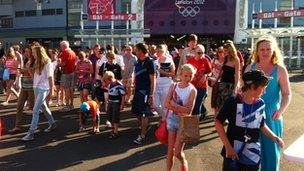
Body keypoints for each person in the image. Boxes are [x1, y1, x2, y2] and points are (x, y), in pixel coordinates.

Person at [215, 70, 284, 171]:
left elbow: (261, 125)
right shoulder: (233, 101)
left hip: (252, 154)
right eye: (263, 88)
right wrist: (228, 147)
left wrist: (274, 137)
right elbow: (218, 122)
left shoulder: (261, 103)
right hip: (233, 152)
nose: (265, 91)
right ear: (252, 87)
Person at [245, 35, 291, 171]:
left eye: (268, 49)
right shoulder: (249, 68)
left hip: (272, 115)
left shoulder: (280, 70)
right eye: (262, 49)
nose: (265, 52)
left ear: (274, 51)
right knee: (249, 153)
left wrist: (281, 111)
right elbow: (244, 92)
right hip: (251, 113)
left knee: (271, 154)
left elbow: (287, 94)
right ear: (257, 51)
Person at [165, 64, 197, 171]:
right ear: (180, 75)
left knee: (177, 151)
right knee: (170, 150)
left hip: (184, 122)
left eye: (190, 76)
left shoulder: (193, 90)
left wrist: (174, 105)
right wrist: (179, 108)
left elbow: (188, 111)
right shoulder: (173, 86)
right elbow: (166, 104)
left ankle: (183, 161)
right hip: (172, 119)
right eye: (186, 76)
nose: (188, 78)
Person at [21, 45, 56, 141]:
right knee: (43, 107)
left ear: (39, 53)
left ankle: (31, 133)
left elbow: (50, 77)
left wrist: (52, 91)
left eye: (33, 52)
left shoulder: (47, 62)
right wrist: (28, 69)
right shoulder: (37, 62)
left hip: (44, 89)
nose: (32, 54)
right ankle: (52, 124)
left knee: (35, 110)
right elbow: (35, 78)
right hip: (36, 87)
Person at [132, 43, 156, 145]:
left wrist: (151, 95)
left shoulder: (150, 62)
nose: (134, 51)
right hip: (137, 90)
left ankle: (142, 135)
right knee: (135, 111)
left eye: (136, 50)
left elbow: (153, 80)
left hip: (145, 92)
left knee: (144, 113)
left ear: (141, 51)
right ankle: (145, 125)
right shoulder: (137, 62)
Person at [8, 46, 35, 134]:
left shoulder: (35, 61)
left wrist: (27, 70)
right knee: (19, 106)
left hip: (32, 87)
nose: (26, 53)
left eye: (28, 52)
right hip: (24, 86)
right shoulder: (26, 60)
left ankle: (37, 125)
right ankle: (17, 126)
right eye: (25, 52)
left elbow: (34, 75)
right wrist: (22, 70)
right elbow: (24, 71)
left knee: (33, 108)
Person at [187, 44, 212, 120]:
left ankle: (195, 122)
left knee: (197, 105)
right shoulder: (190, 60)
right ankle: (204, 111)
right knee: (194, 103)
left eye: (202, 53)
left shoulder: (205, 60)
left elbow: (210, 72)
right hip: (192, 86)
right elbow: (187, 71)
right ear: (194, 52)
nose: (201, 55)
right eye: (199, 53)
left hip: (202, 87)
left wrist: (206, 75)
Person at [215, 40, 240, 113]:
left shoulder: (236, 59)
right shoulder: (225, 58)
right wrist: (216, 81)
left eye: (225, 50)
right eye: (224, 50)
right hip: (223, 83)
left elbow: (237, 74)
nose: (224, 52)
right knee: (219, 102)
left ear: (230, 50)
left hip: (230, 84)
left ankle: (226, 119)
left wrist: (236, 86)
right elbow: (221, 71)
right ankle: (220, 119)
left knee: (228, 103)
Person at [154, 44, 175, 119]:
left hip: (166, 85)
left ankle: (164, 121)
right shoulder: (155, 62)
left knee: (164, 105)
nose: (159, 53)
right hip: (156, 86)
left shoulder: (169, 60)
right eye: (157, 51)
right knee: (155, 105)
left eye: (161, 51)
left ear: (165, 51)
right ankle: (164, 117)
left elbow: (173, 74)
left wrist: (163, 72)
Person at [102, 71, 125, 139]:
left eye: (106, 80)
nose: (106, 82)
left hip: (116, 103)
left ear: (110, 78)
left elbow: (123, 95)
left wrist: (122, 104)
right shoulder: (110, 84)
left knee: (115, 117)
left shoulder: (118, 84)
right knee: (109, 116)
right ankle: (113, 128)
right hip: (110, 102)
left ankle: (115, 132)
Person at [58, 41, 76, 111]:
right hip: (72, 72)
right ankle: (71, 104)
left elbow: (64, 63)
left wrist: (57, 64)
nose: (60, 48)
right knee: (71, 89)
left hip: (66, 73)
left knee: (67, 90)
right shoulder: (73, 52)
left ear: (63, 46)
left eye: (61, 46)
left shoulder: (65, 52)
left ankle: (67, 106)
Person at [209, 46, 225, 114]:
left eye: (222, 51)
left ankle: (223, 115)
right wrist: (210, 77)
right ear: (217, 53)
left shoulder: (226, 61)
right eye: (219, 52)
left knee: (223, 99)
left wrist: (217, 66)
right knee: (215, 98)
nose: (221, 53)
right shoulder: (214, 60)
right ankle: (216, 114)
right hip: (215, 81)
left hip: (223, 81)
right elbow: (209, 70)